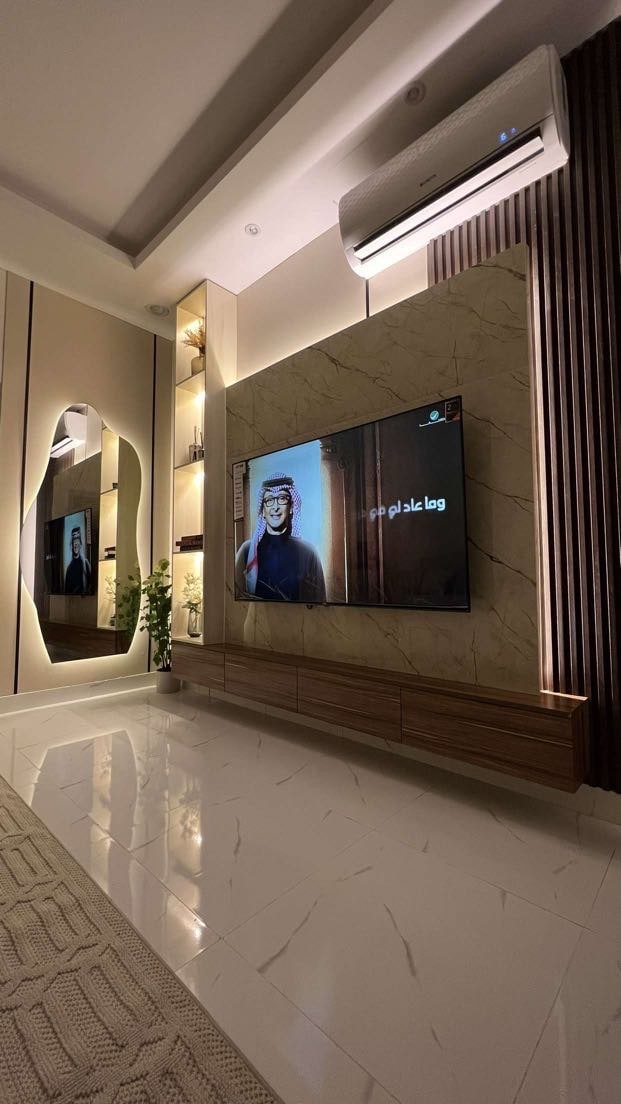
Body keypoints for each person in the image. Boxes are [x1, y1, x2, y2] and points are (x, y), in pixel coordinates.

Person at [235, 473, 326, 602]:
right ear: (263, 511)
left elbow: (320, 602)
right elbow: (235, 595)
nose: (275, 507)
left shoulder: (308, 552)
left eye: (282, 499)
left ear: (291, 507)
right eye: (269, 500)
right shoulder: (247, 550)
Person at [64, 526, 92, 595]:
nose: (76, 544)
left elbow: (90, 586)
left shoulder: (86, 564)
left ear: (80, 544)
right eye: (74, 541)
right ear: (71, 545)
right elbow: (67, 592)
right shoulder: (69, 568)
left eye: (77, 540)